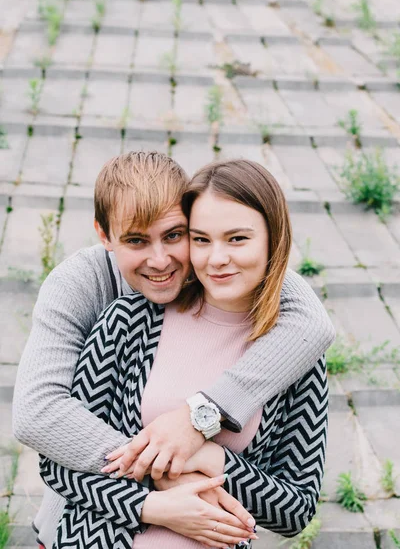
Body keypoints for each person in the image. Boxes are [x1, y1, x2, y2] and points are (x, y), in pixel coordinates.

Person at [12, 152, 334, 547]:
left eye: (175, 235)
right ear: (104, 235)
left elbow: (296, 509)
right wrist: (157, 486)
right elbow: (43, 427)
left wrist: (206, 450)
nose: (161, 260)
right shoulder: (123, 316)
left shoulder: (291, 348)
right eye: (135, 240)